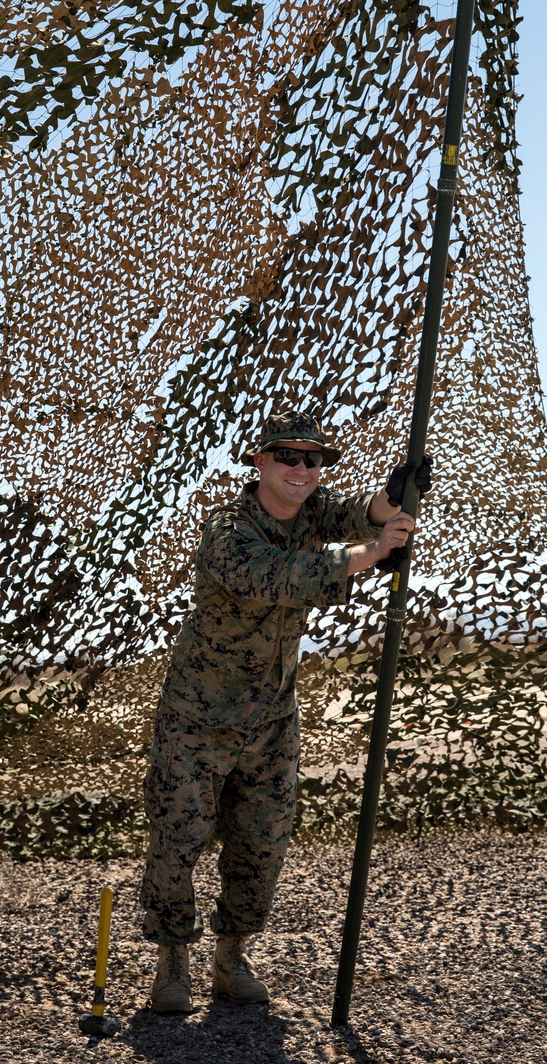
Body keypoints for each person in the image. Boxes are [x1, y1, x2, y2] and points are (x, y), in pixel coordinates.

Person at [139, 405, 423, 1013]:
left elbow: (355, 512)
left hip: (271, 718)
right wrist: (372, 553)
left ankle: (231, 955)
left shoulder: (312, 511)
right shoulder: (227, 531)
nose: (302, 469)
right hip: (199, 716)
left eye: (313, 460)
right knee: (176, 840)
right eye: (288, 457)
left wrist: (392, 501)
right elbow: (280, 577)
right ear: (261, 461)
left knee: (262, 841)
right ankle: (172, 962)